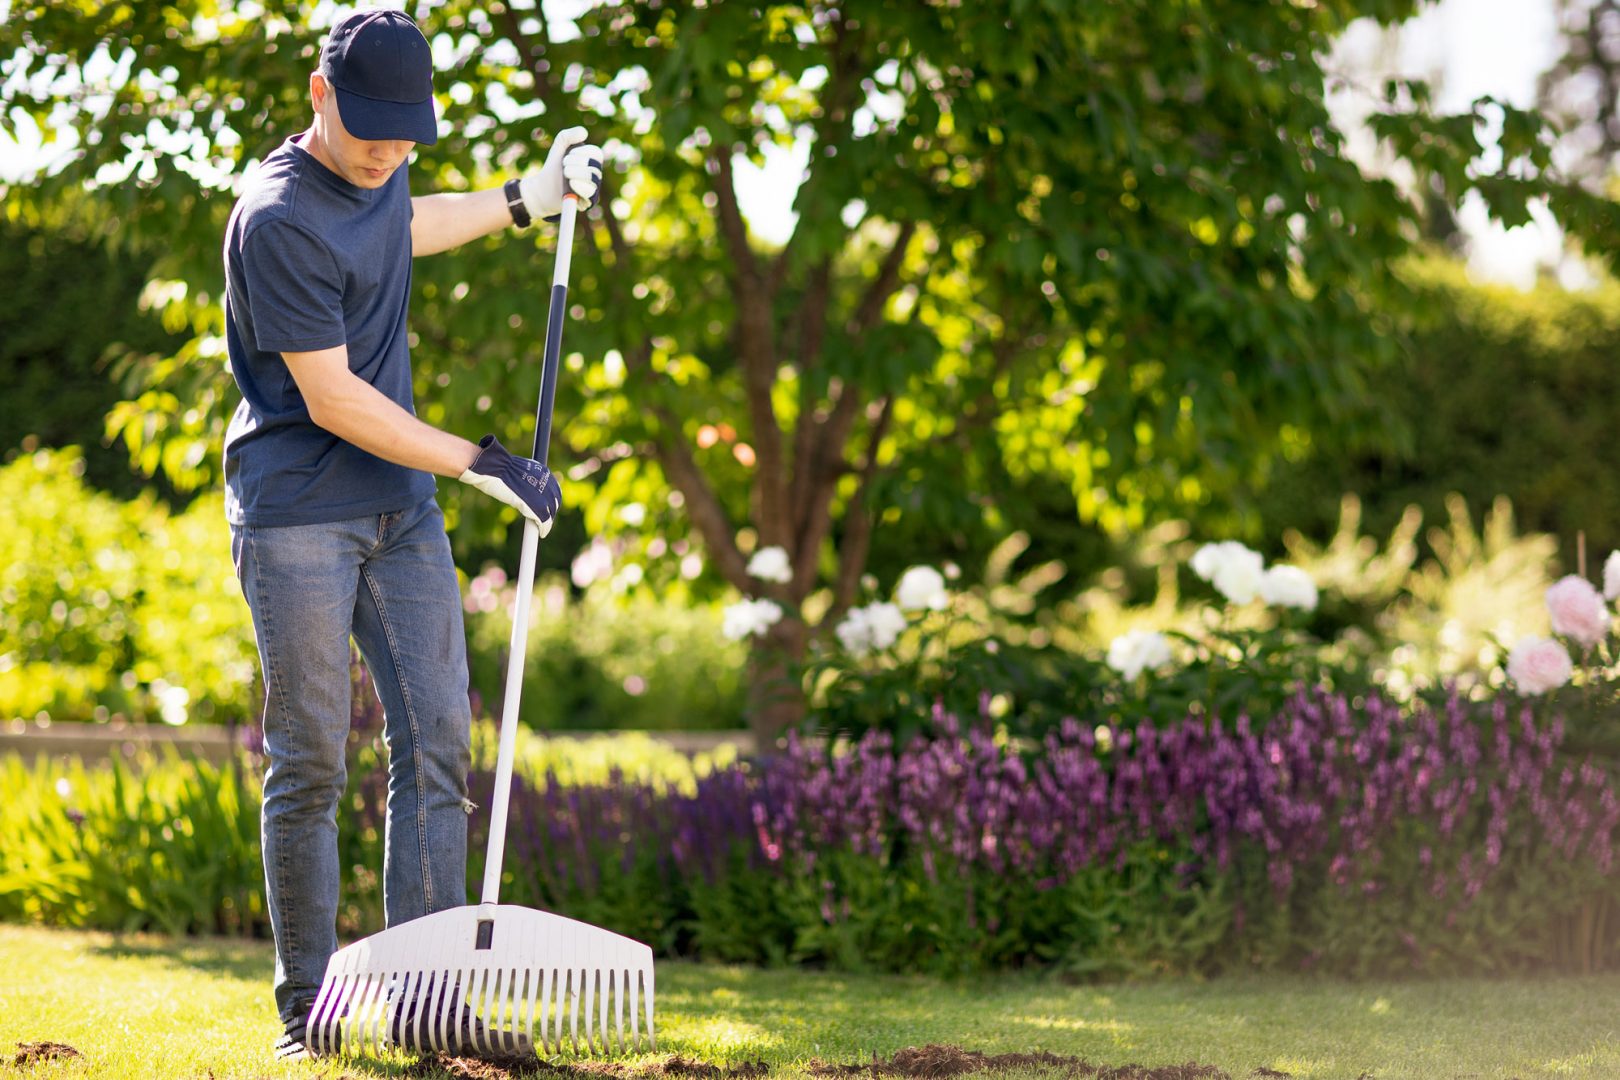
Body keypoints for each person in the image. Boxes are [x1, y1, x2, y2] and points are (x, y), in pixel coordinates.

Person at [219, 8, 600, 1060]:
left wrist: (529, 196)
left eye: (405, 132)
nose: (389, 151)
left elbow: (406, 221)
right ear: (318, 92)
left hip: (400, 512)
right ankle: (309, 1010)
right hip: (299, 512)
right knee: (309, 761)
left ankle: (431, 1001)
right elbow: (335, 400)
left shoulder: (380, 173)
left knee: (437, 739)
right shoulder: (278, 217)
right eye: (371, 129)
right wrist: (484, 463)